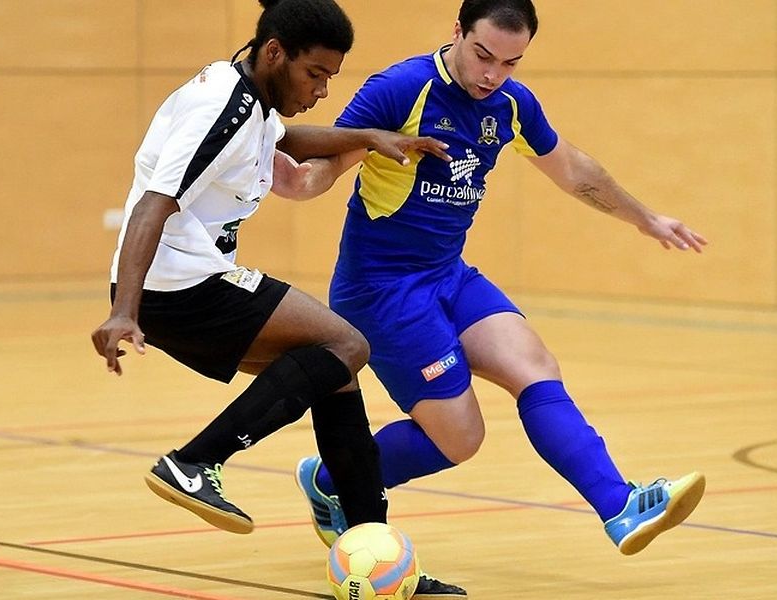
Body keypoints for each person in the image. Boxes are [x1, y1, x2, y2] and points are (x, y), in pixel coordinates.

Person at [289, 0, 708, 558]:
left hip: (448, 274)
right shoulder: (402, 88)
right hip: (382, 290)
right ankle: (332, 479)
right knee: (461, 438)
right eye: (483, 55)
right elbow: (329, 160)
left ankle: (620, 505)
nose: (492, 75)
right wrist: (294, 180)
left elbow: (572, 168)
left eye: (510, 63)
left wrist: (645, 218)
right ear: (457, 31)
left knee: (535, 368)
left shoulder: (511, 104)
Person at [89, 0, 465, 597]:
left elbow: (287, 137)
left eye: (330, 77)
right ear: (274, 53)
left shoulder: (252, 100)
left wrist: (368, 136)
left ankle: (376, 548)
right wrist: (122, 312)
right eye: (314, 74)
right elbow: (153, 204)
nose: (321, 90)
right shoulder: (219, 107)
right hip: (177, 284)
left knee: (335, 372)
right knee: (346, 343)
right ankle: (195, 460)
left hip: (185, 282)